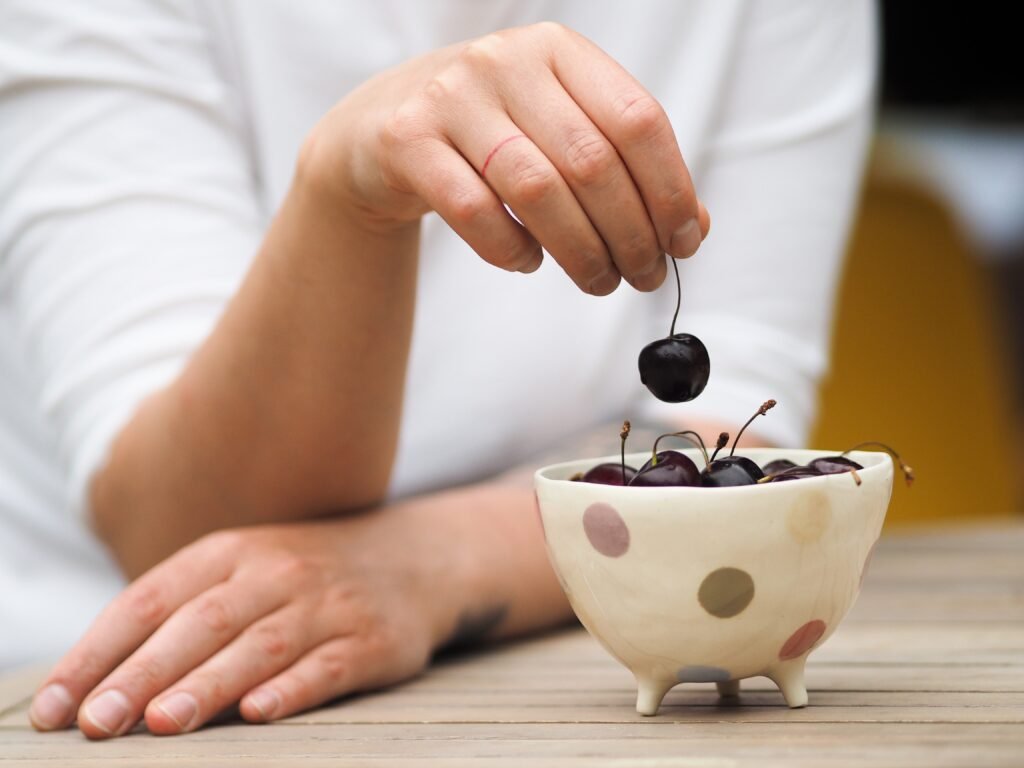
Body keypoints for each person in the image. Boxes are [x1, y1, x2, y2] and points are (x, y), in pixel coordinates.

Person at [0, 0, 874, 739]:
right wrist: (349, 194)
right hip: (102, 680)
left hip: (548, 659)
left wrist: (425, 566)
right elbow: (193, 536)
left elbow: (732, 442)